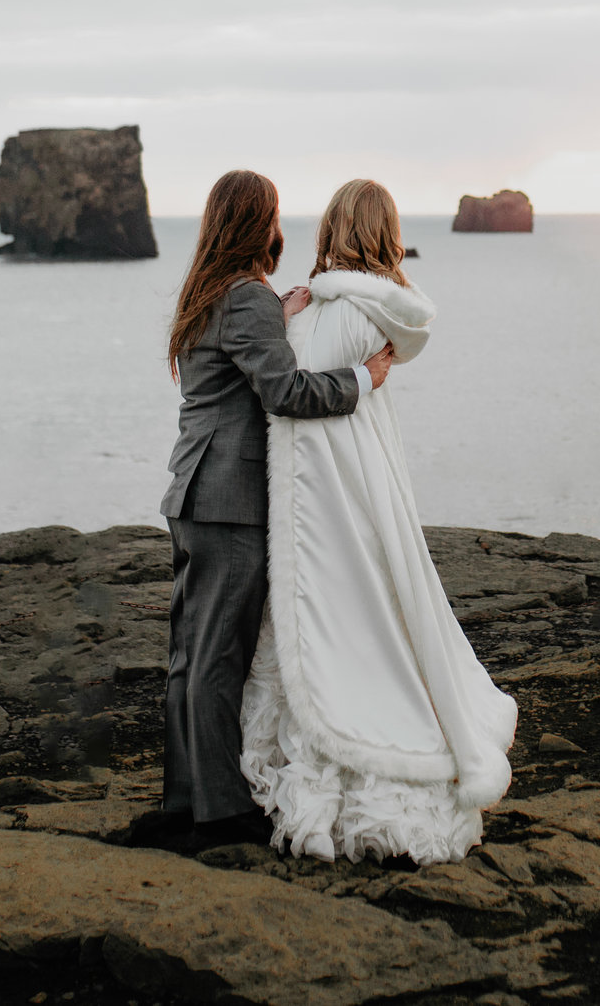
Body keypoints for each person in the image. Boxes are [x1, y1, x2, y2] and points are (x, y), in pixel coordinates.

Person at [241, 178, 517, 863]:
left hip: (322, 505)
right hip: (366, 493)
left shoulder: (329, 311)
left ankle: (349, 758)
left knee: (331, 628)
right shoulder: (379, 312)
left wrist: (280, 320)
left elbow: (287, 389)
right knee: (380, 620)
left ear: (334, 227)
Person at [132, 170, 393, 855]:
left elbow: (235, 372)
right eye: (275, 214)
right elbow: (285, 391)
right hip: (230, 502)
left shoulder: (208, 294)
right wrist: (364, 377)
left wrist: (276, 317)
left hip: (192, 493)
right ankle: (219, 813)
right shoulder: (245, 297)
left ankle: (185, 801)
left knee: (190, 657)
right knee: (220, 656)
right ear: (260, 223)